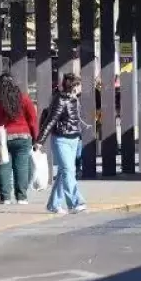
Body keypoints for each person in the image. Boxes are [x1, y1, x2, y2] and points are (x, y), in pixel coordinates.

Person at [37, 73, 86, 214]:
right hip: (61, 139)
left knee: (64, 172)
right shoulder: (60, 100)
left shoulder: (75, 99)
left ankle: (53, 204)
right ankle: (75, 203)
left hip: (74, 139)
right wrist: (40, 141)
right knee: (67, 171)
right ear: (75, 86)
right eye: (79, 84)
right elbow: (50, 120)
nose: (81, 87)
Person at [0, 73, 38, 205]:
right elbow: (33, 120)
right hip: (23, 136)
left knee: (3, 166)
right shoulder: (24, 99)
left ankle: (5, 197)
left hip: (2, 135)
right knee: (22, 166)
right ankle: (21, 197)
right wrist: (35, 138)